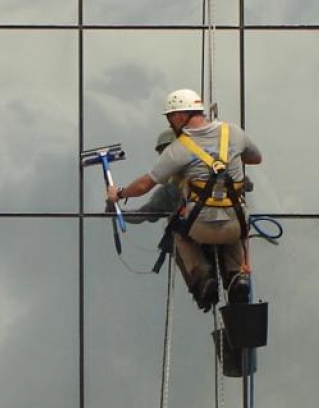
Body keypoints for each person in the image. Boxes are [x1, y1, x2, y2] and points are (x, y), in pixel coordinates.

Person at [106, 88, 262, 311]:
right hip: (236, 225)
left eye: (171, 118)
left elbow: (144, 185)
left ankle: (203, 277)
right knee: (234, 231)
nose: (171, 124)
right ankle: (237, 277)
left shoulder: (178, 150)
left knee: (176, 231)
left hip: (199, 228)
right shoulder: (234, 133)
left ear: (180, 116)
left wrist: (118, 194)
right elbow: (256, 158)